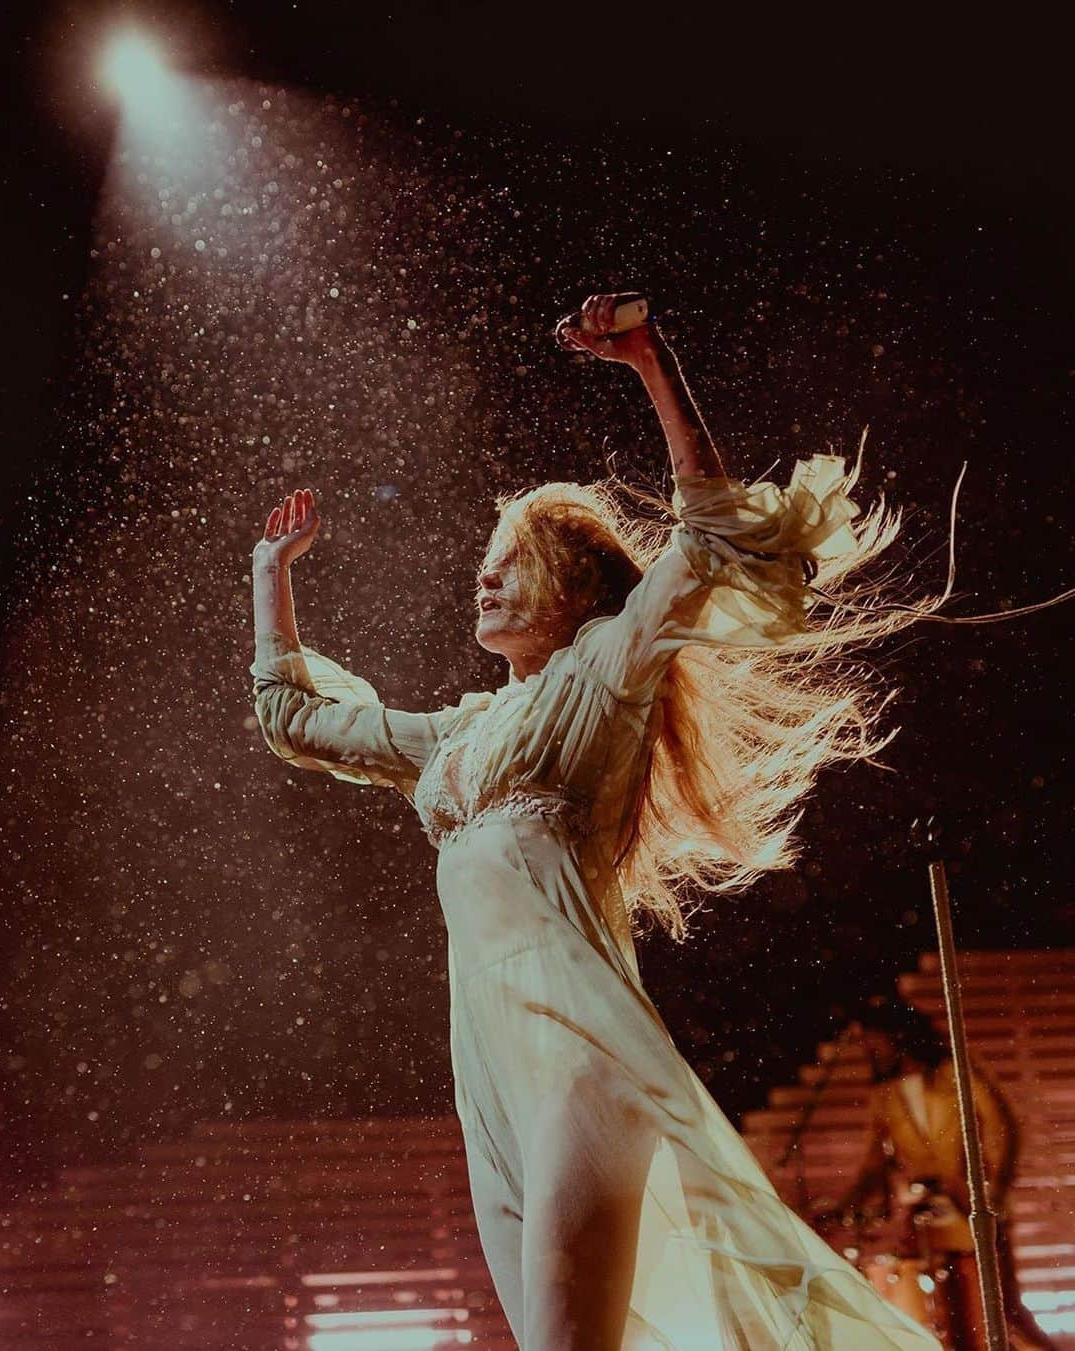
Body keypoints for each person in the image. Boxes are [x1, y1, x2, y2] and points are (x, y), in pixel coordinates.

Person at [250, 292, 947, 1348]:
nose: (484, 572)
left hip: (582, 1061)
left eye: (514, 555)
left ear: (575, 586)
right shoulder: (454, 738)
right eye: (486, 555)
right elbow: (295, 715)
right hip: (490, 1082)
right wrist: (269, 579)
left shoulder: (601, 674)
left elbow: (708, 533)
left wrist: (652, 365)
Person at [832, 997, 1055, 1349]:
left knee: (1004, 1313)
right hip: (934, 1220)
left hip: (974, 1207)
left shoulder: (954, 1072)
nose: (868, 1049)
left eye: (873, 1040)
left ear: (897, 1036)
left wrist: (992, 1189)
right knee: (957, 1318)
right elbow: (874, 1163)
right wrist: (841, 1204)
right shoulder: (885, 1095)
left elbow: (1002, 1125)